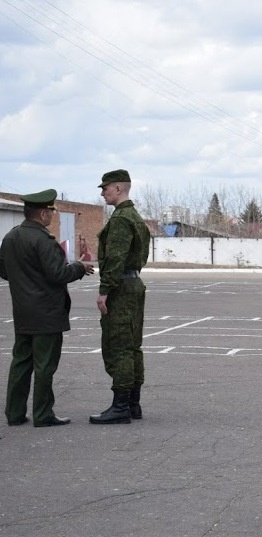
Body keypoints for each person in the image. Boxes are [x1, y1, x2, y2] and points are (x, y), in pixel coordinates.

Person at [1, 189, 94, 427]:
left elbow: (4, 271)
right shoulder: (43, 240)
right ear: (43, 213)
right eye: (51, 211)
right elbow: (59, 274)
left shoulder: (11, 237)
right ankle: (43, 414)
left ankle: (14, 413)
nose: (52, 215)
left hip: (22, 311)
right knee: (44, 366)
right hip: (47, 313)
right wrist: (80, 267)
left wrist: (26, 280)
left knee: (21, 363)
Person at [90, 169, 152, 425]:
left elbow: (115, 258)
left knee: (120, 346)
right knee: (133, 345)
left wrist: (104, 290)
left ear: (118, 188)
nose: (103, 192)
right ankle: (133, 404)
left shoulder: (121, 220)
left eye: (105, 188)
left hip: (122, 288)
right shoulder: (136, 217)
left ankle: (121, 406)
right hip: (134, 283)